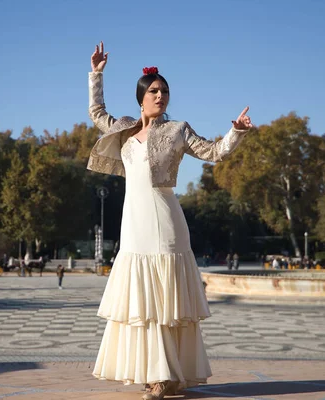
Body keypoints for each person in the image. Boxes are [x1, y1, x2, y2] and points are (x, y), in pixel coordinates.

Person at [87, 41, 253, 400]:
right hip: (133, 224)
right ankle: (155, 373)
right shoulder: (125, 129)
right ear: (141, 98)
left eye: (164, 91)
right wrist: (97, 74)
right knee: (142, 304)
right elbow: (97, 113)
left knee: (164, 300)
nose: (160, 95)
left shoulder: (178, 129)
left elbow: (213, 152)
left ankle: (164, 378)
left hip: (165, 221)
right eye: (153, 90)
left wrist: (236, 132)